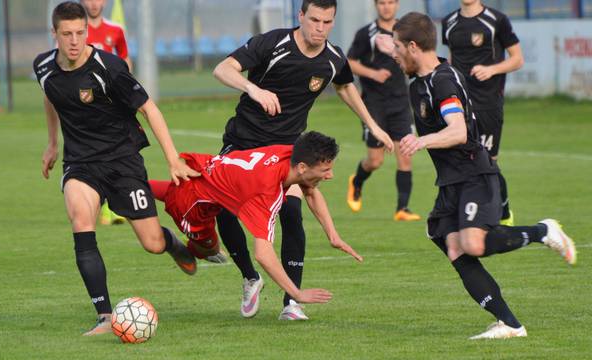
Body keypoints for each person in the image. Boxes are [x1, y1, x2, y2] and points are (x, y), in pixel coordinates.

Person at [391, 12, 576, 339]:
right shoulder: (421, 81)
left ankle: (543, 231)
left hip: (474, 173)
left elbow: (458, 131)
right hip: (451, 179)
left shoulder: (442, 81)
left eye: (396, 47)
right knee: (453, 247)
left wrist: (421, 141)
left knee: (472, 244)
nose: (393, 53)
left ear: (413, 46)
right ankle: (510, 324)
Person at [212, 0, 393, 320]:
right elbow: (222, 69)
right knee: (225, 212)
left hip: (286, 151)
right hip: (243, 143)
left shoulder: (333, 57)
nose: (319, 29)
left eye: (327, 22)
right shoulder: (273, 43)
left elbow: (346, 87)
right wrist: (253, 89)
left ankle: (291, 303)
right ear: (300, 17)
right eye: (314, 20)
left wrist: (373, 125)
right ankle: (250, 277)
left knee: (292, 213)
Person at [34, 2, 199, 336]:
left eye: (80, 32)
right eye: (67, 34)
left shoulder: (108, 68)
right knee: (81, 221)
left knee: (151, 243)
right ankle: (105, 316)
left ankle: (171, 243)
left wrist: (172, 159)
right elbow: (50, 96)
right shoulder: (43, 67)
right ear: (55, 34)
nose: (75, 40)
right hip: (81, 164)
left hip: (123, 162)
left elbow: (150, 110)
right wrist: (53, 142)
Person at [149, 132, 363, 315]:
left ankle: (122, 190)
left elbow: (310, 191)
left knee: (140, 189)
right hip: (191, 206)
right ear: (302, 167)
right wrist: (296, 294)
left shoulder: (289, 152)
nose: (330, 176)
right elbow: (263, 254)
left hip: (202, 174)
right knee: (207, 248)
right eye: (325, 170)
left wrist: (333, 236)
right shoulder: (266, 193)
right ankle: (176, 245)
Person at [441, 0, 524, 226]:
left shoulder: (496, 20)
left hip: (488, 103)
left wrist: (491, 69)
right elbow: (451, 58)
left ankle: (504, 210)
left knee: (487, 161)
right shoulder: (449, 22)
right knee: (460, 159)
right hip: (459, 104)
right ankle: (467, 213)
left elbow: (517, 59)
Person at [346, 0, 420, 221]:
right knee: (375, 161)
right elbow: (349, 62)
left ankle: (402, 209)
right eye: (382, 3)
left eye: (390, 2)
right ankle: (356, 181)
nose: (386, 7)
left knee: (405, 155)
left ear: (397, 5)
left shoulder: (406, 33)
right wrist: (372, 74)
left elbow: (416, 59)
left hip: (400, 103)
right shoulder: (366, 33)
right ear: (376, 6)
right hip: (373, 104)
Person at [81, 0, 133, 224]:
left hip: (111, 104)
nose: (93, 4)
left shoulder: (115, 29)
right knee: (91, 153)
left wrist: (127, 88)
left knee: (117, 152)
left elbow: (125, 59)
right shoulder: (77, 30)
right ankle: (98, 204)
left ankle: (114, 206)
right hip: (86, 105)